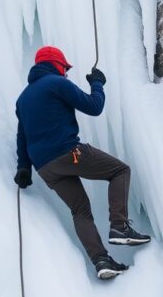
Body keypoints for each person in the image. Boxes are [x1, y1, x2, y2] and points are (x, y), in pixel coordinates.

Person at [14, 46, 150, 279]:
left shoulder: (23, 99)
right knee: (120, 171)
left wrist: (23, 168)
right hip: (68, 152)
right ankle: (119, 226)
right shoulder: (57, 83)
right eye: (65, 68)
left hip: (45, 168)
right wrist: (97, 83)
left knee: (79, 209)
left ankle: (101, 261)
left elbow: (22, 136)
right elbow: (94, 107)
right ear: (57, 65)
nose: (66, 73)